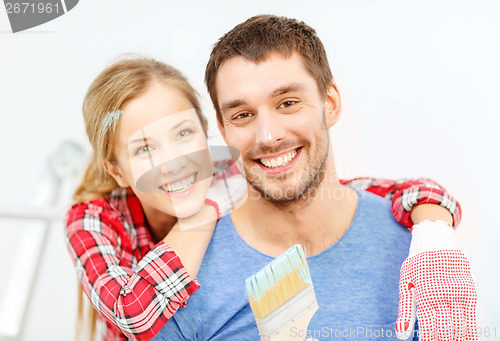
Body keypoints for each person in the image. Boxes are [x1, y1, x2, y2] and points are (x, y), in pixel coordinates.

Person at [65, 58, 463, 341]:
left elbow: (357, 190)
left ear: (208, 133)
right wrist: (205, 213)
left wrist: (433, 230)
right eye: (144, 149)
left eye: (184, 134)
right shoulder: (92, 220)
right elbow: (133, 311)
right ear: (116, 170)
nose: (173, 163)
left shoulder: (228, 171)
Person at [152, 15, 477, 341]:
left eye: (288, 103)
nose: (267, 136)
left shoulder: (422, 254)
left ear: (330, 104)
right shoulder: (186, 284)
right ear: (224, 130)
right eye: (243, 115)